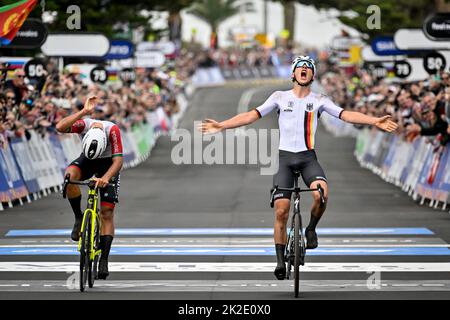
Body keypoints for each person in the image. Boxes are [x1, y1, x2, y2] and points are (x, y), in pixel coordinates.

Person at [199, 56, 398, 280]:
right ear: (293, 74)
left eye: (308, 68)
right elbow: (251, 115)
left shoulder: (320, 99)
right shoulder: (279, 97)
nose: (304, 70)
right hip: (285, 159)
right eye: (300, 68)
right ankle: (280, 260)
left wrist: (374, 121)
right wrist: (222, 126)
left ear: (312, 76)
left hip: (307, 159)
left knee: (321, 194)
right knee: (282, 211)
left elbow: (345, 114)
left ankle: (311, 228)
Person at [56, 96, 123, 280]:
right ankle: (79, 217)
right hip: (88, 159)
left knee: (107, 213)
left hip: (108, 165)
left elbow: (118, 161)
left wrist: (105, 178)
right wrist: (83, 112)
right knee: (69, 177)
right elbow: (60, 127)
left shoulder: (113, 130)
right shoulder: (84, 124)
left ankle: (104, 260)